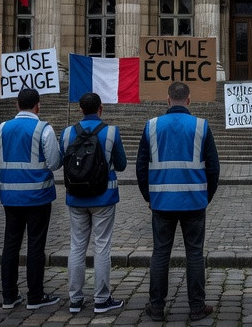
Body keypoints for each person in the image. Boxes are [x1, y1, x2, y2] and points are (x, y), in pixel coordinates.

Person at [138, 82, 220, 322]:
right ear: (189, 100)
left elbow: (141, 166)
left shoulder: (151, 126)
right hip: (194, 201)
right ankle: (196, 307)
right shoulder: (201, 126)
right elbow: (214, 168)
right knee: (194, 253)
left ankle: (156, 306)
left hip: (162, 201)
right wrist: (206, 197)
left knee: (160, 254)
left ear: (167, 100)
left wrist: (149, 196)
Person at [61, 92, 129, 314]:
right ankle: (101, 298)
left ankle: (75, 298)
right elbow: (121, 165)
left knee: (77, 246)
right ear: (101, 108)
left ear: (80, 109)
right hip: (103, 198)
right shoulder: (111, 132)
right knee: (102, 247)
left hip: (76, 197)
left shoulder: (67, 132)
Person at [0, 87, 62, 310]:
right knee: (36, 245)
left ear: (16, 105)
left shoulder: (1, 128)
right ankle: (35, 295)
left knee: (10, 245)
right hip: (38, 196)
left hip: (10, 196)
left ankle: (8, 295)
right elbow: (54, 162)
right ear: (38, 105)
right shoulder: (43, 129)